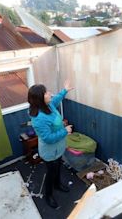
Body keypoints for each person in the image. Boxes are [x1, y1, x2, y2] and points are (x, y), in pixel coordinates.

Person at [28, 80, 74, 209]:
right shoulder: (39, 119)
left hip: (58, 147)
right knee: (51, 173)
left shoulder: (48, 106)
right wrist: (65, 131)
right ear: (40, 99)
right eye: (46, 92)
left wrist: (64, 90)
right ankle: (48, 195)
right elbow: (48, 138)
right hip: (50, 150)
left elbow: (56, 100)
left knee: (58, 167)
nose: (49, 93)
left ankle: (57, 185)